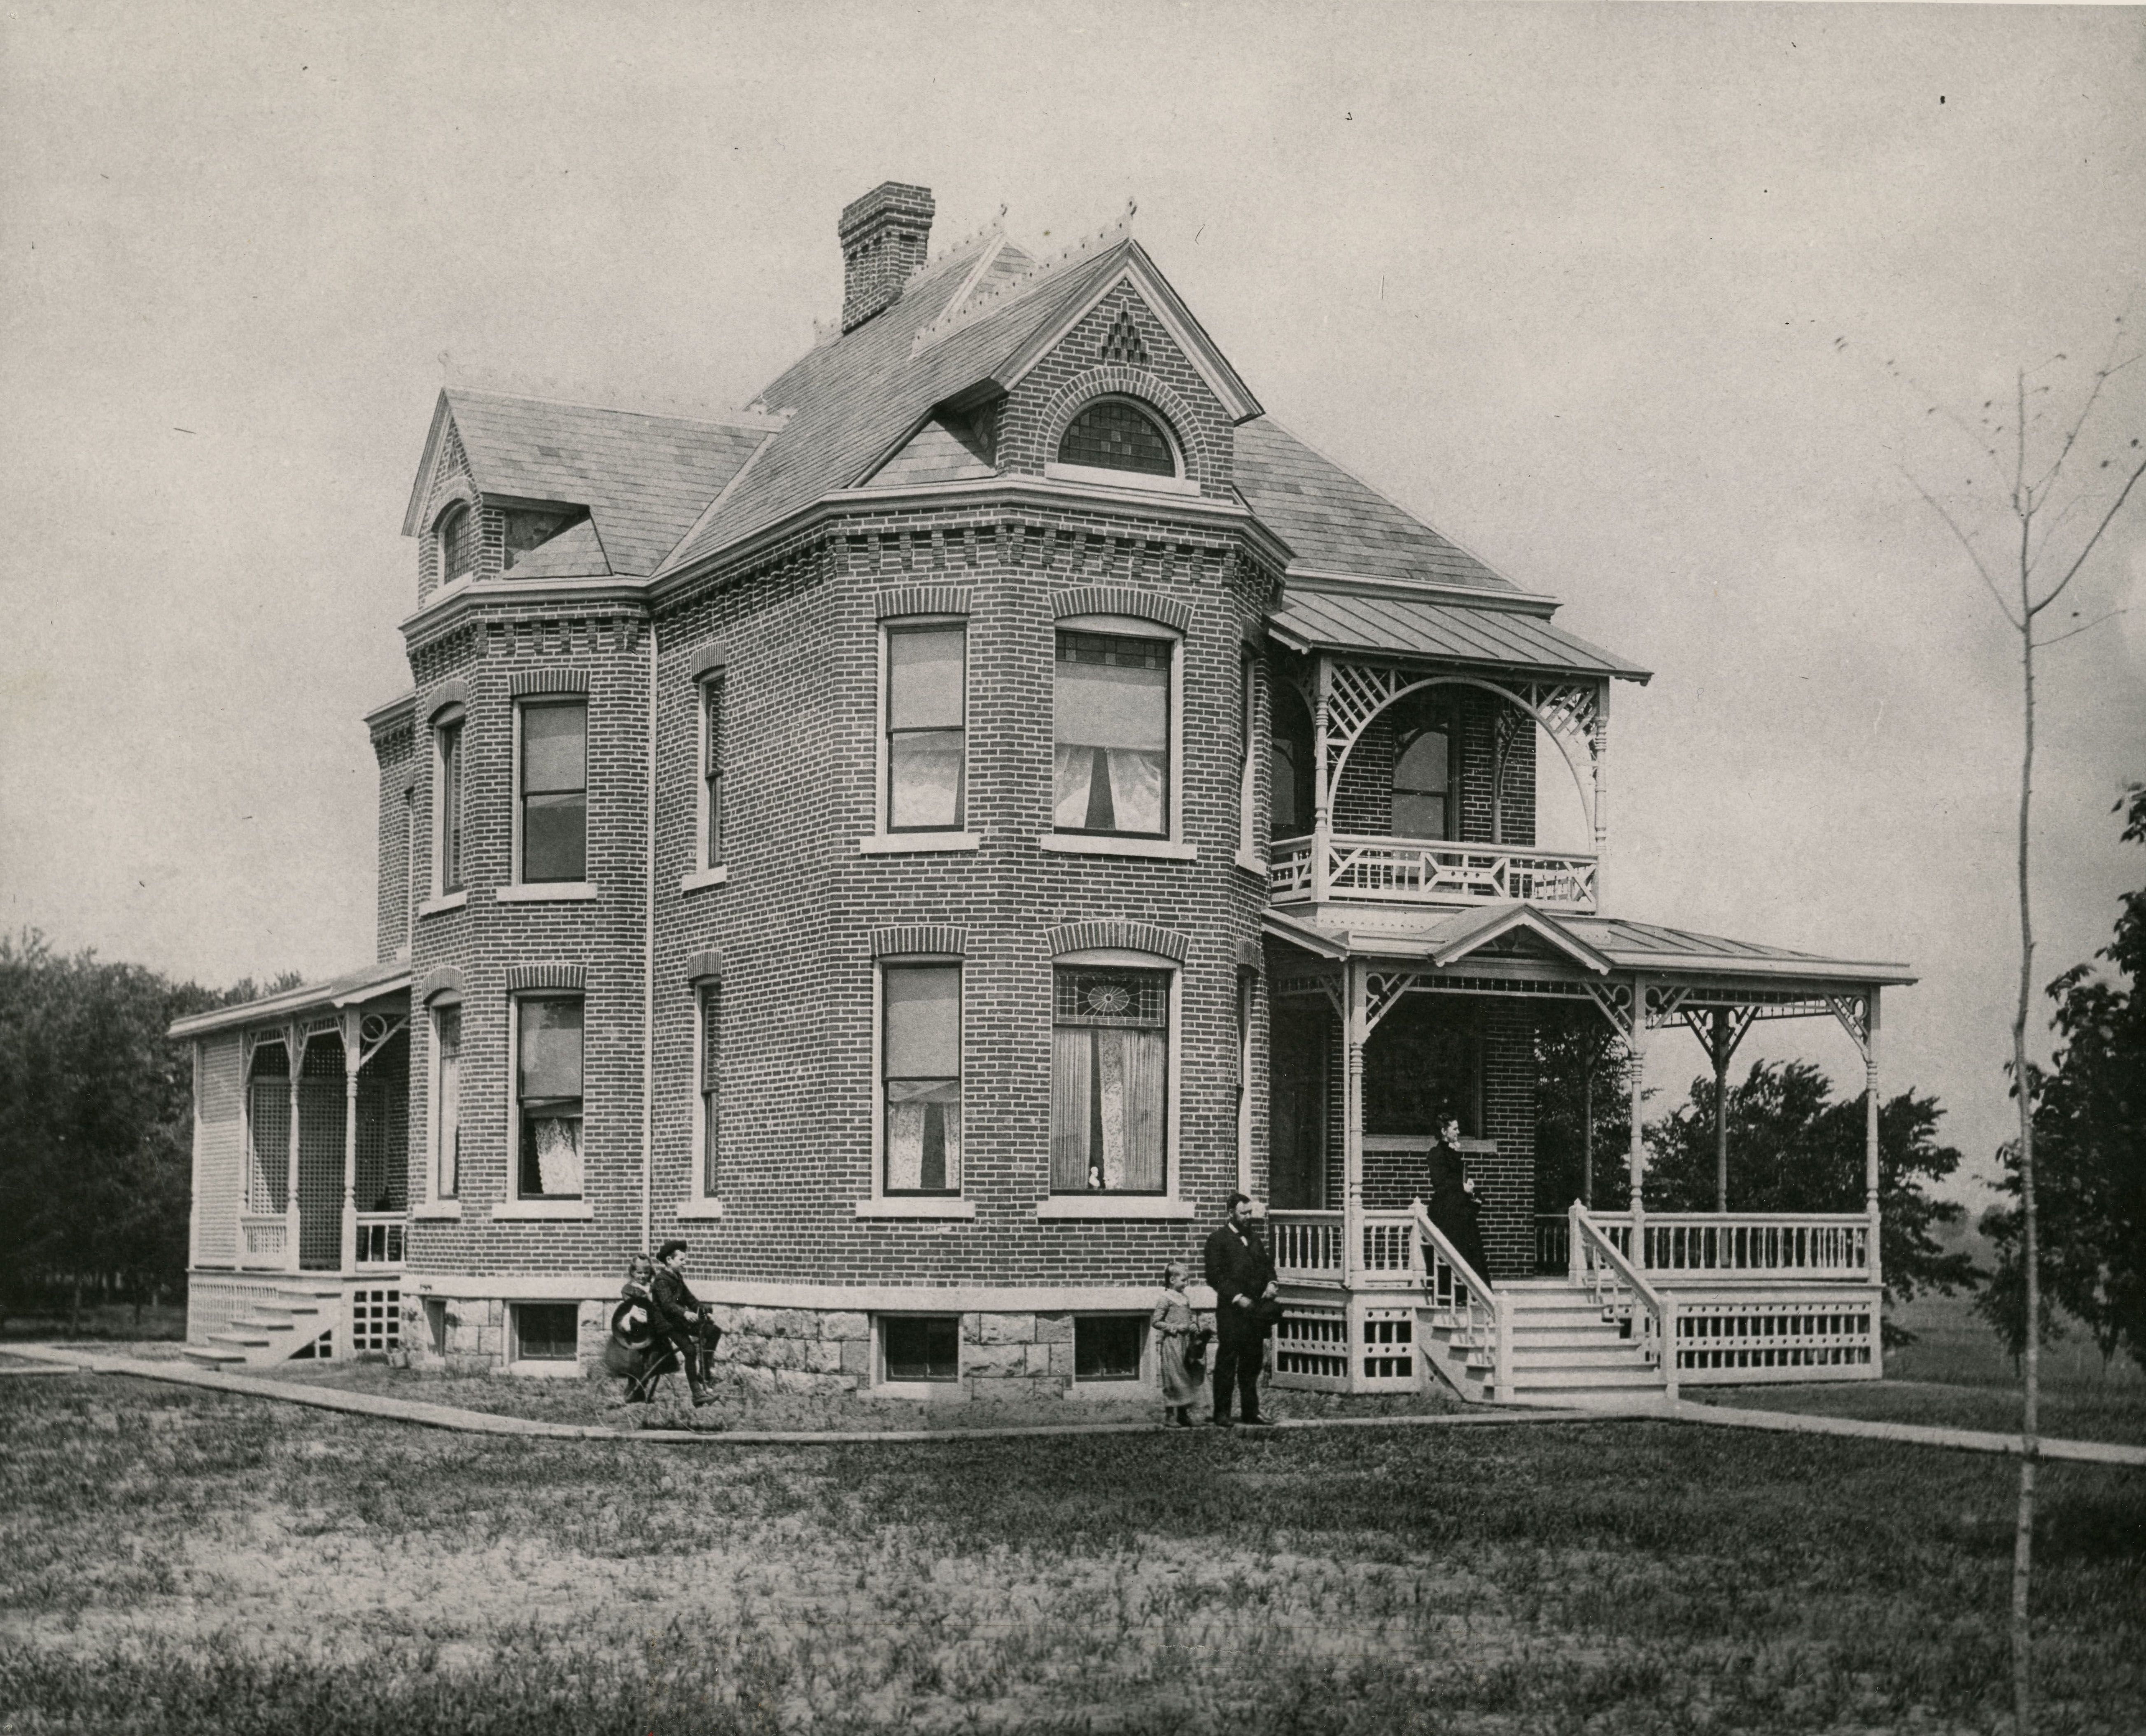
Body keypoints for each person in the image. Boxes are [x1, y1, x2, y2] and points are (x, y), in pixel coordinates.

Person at [1203, 1193, 1278, 1428]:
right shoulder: (1218, 1240)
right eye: (1244, 1213)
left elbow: (1267, 1266)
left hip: (1256, 1311)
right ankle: (1222, 1413)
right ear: (1230, 1213)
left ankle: (1251, 1412)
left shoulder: (1254, 1238)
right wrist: (1237, 1298)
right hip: (1232, 1313)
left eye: (1250, 1213)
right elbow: (1215, 1277)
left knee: (1252, 1362)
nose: (1248, 1217)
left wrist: (1272, 1284)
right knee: (1227, 1362)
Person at [649, 1239, 723, 1409]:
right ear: (669, 1260)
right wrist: (685, 1313)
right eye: (681, 1260)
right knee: (690, 1351)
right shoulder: (661, 1280)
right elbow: (668, 1305)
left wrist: (704, 1311)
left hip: (677, 1321)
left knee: (713, 1331)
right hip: (666, 1324)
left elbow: (690, 1299)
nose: (685, 1263)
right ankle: (697, 1394)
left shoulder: (678, 1278)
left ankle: (703, 1375)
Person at [1150, 1261, 1204, 1428]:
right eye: (1184, 1280)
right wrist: (1174, 1328)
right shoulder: (1165, 1299)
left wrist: (1194, 1325)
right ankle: (1169, 1416)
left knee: (1186, 1377)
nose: (1186, 1284)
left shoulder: (1185, 1299)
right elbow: (1156, 1322)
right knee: (1173, 1379)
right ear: (1172, 1280)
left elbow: (1189, 1318)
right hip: (1172, 1344)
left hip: (1186, 1344)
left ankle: (1183, 1415)